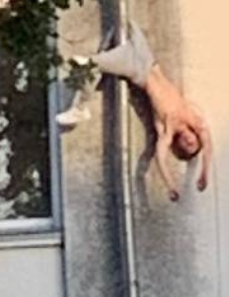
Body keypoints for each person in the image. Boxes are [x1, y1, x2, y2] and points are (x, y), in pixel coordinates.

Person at [57, 23, 211, 201]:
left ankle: (80, 109)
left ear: (179, 146)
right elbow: (207, 143)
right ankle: (83, 93)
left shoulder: (166, 130)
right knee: (128, 23)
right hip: (149, 60)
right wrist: (205, 172)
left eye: (188, 146)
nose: (190, 141)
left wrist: (171, 186)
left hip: (137, 71)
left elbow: (160, 158)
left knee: (91, 66)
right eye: (194, 142)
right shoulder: (190, 116)